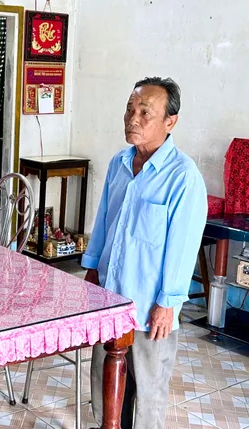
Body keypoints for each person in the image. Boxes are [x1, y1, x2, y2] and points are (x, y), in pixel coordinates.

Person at [82, 77, 207, 429]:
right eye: (130, 108)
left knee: (146, 393)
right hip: (108, 298)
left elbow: (183, 248)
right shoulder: (120, 163)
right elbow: (104, 222)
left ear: (170, 122)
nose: (132, 118)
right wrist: (91, 271)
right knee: (105, 386)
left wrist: (167, 303)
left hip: (149, 307)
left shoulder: (183, 177)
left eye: (145, 112)